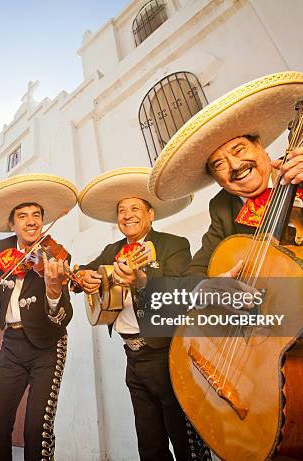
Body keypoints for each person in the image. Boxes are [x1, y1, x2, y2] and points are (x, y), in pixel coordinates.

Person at [148, 71, 303, 459]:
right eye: (218, 165)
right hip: (295, 372)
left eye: (239, 149)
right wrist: (206, 291)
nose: (234, 165)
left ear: (262, 145)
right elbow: (191, 276)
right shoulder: (226, 211)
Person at [75, 167, 211, 461]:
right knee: (149, 442)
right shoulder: (111, 250)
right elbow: (83, 274)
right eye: (121, 210)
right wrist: (80, 277)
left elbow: (179, 293)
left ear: (151, 215)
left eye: (135, 208)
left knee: (184, 438)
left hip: (167, 352)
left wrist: (142, 281)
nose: (127, 215)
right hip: (132, 355)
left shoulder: (174, 245)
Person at [0, 173, 77, 461]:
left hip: (47, 344)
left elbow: (64, 313)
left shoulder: (56, 254)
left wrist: (53, 287)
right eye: (23, 216)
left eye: (37, 215)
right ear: (12, 224)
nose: (32, 221)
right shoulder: (2, 250)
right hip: (11, 343)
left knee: (38, 427)